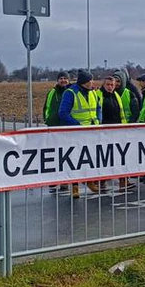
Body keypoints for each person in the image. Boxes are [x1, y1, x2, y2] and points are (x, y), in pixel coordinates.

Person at [57, 69, 103, 199]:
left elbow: (98, 108)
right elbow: (63, 113)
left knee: (90, 158)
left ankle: (89, 180)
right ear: (83, 82)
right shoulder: (70, 93)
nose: (92, 82)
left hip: (92, 131)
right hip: (76, 132)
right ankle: (75, 185)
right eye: (89, 80)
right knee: (76, 159)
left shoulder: (93, 92)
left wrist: (99, 120)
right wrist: (77, 125)